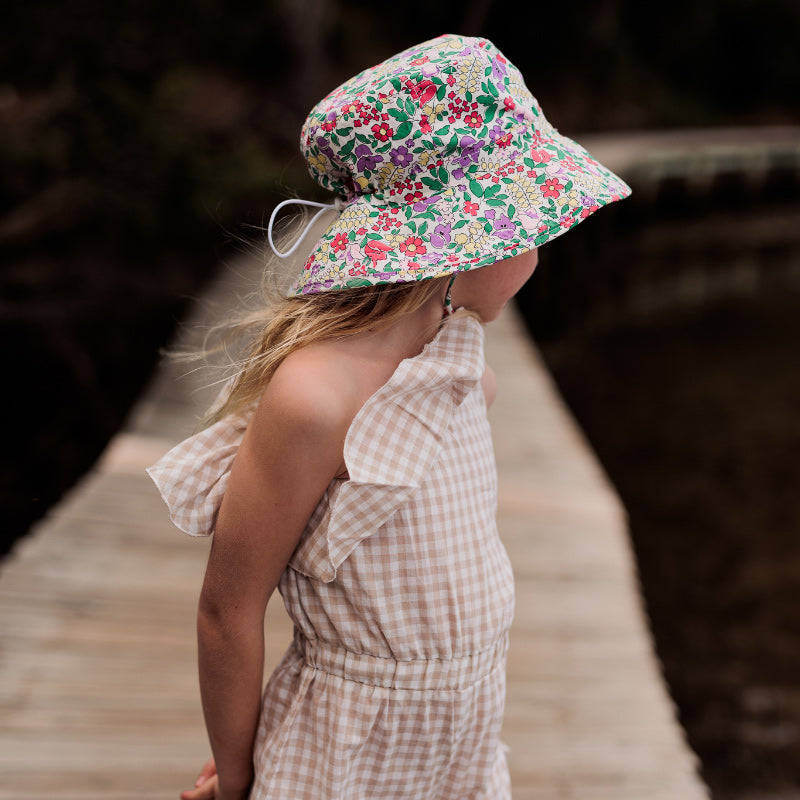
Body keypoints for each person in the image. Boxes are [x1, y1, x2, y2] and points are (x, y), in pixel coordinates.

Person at [148, 33, 630, 800]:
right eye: (535, 229)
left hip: (462, 744)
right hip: (345, 756)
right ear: (465, 240)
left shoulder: (467, 372)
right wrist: (239, 776)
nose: (542, 249)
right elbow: (227, 608)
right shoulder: (315, 398)